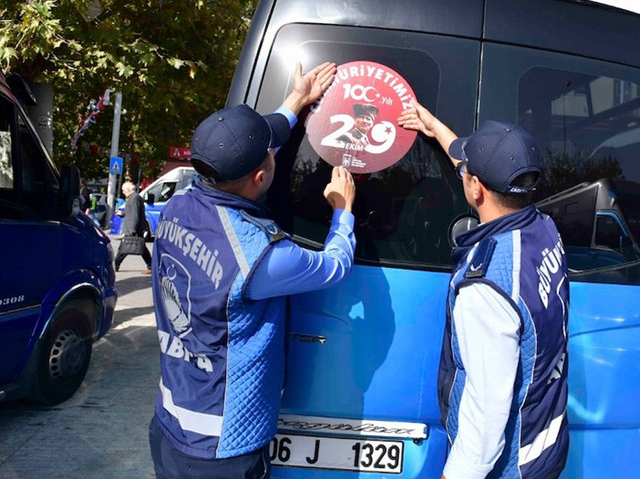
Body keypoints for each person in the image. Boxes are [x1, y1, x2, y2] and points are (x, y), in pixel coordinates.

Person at [147, 61, 357, 479]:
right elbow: (334, 267)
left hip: (170, 424)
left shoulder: (178, 205)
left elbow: (263, 144)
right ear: (261, 176)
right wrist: (343, 212)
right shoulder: (261, 256)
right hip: (223, 449)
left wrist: (299, 98)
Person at [399, 105, 570, 479]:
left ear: (476, 187)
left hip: (511, 465)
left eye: (467, 172)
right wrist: (434, 127)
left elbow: (488, 406)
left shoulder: (487, 284)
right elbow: (468, 159)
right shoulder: (543, 230)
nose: (463, 171)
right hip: (548, 442)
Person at [114, 181, 153, 273]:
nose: (123, 192)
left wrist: (132, 229)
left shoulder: (134, 198)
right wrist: (122, 214)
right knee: (141, 248)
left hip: (133, 228)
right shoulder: (133, 198)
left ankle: (115, 265)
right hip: (134, 227)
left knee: (124, 248)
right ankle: (151, 266)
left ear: (128, 189)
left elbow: (135, 214)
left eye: (123, 190)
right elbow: (131, 212)